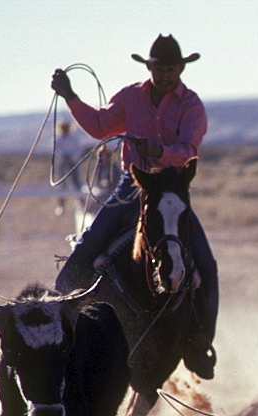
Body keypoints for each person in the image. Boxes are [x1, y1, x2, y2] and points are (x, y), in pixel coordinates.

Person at [50, 34, 218, 380]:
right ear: (151, 67)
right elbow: (100, 126)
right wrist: (70, 95)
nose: (166, 74)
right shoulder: (130, 97)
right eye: (160, 68)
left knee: (206, 264)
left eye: (171, 69)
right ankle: (57, 313)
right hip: (133, 184)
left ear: (181, 68)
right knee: (89, 245)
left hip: (172, 186)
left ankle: (200, 342)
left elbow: (189, 148)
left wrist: (157, 152)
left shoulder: (191, 105)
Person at [54, 121, 84, 216]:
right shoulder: (58, 139)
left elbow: (79, 150)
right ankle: (61, 204)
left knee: (76, 182)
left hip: (72, 162)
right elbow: (54, 151)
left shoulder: (73, 138)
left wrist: (72, 157)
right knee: (61, 184)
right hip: (62, 163)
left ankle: (81, 202)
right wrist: (63, 156)